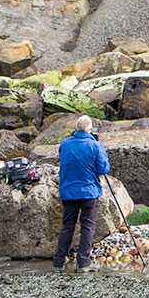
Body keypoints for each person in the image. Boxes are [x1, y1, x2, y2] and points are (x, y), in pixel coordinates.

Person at [55, 115, 110, 272]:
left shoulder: (65, 144)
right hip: (88, 191)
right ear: (90, 129)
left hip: (68, 191)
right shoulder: (95, 145)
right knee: (87, 226)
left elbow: (63, 159)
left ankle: (58, 262)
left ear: (76, 128)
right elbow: (103, 169)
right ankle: (83, 263)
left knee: (67, 226)